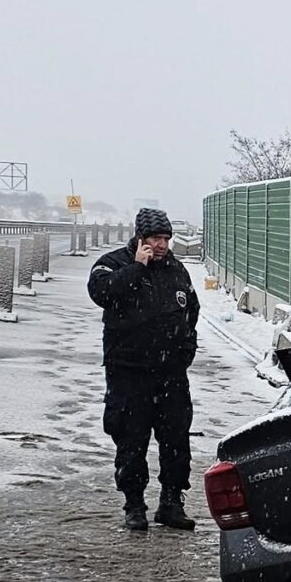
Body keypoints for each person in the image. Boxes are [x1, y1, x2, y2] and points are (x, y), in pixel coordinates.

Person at [88, 208, 199, 531]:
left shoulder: (177, 270)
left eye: (166, 238)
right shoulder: (114, 264)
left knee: (176, 439)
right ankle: (134, 504)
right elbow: (102, 293)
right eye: (155, 238)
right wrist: (138, 266)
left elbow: (191, 312)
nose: (162, 245)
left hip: (171, 374)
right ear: (139, 238)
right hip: (129, 373)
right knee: (131, 439)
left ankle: (171, 502)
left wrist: (185, 350)